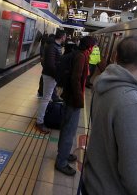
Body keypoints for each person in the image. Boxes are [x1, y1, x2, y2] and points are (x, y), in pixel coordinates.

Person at [82, 36, 137, 195]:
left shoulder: (102, 86)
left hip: (92, 182)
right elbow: (136, 175)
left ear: (115, 56)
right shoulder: (134, 104)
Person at [55, 36, 95, 176]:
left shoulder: (80, 54)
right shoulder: (81, 57)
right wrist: (79, 99)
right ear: (89, 47)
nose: (95, 49)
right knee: (69, 131)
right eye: (94, 46)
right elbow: (75, 79)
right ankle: (61, 162)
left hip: (70, 97)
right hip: (73, 100)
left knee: (67, 128)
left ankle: (63, 154)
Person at [36, 29, 66, 134]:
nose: (65, 38)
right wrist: (57, 76)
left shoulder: (56, 46)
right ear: (62, 37)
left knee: (47, 98)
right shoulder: (52, 47)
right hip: (50, 76)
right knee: (45, 99)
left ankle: (43, 117)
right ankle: (39, 122)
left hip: (51, 75)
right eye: (65, 37)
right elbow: (50, 64)